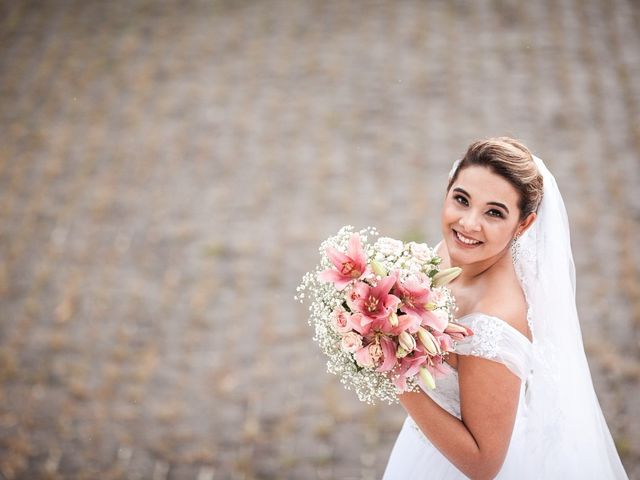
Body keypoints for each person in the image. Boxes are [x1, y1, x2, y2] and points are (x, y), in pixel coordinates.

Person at [383, 137, 629, 479]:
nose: (468, 224)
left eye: (494, 213)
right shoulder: (451, 253)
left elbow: (484, 464)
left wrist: (393, 372)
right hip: (426, 444)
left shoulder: (493, 323)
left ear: (523, 225)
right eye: (461, 199)